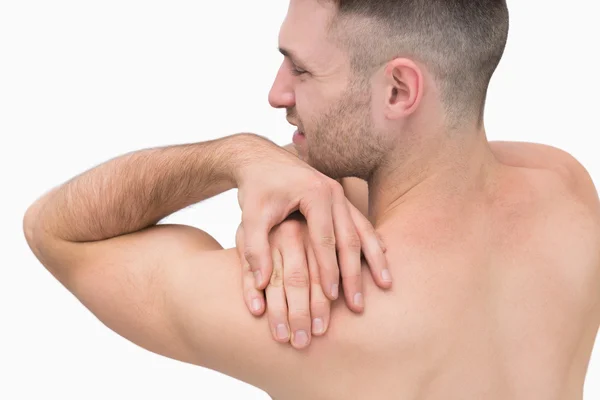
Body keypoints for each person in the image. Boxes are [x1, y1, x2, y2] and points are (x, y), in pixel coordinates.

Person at [22, 0, 600, 399]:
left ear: (399, 89)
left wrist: (237, 155)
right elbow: (433, 167)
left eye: (301, 69)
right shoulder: (564, 189)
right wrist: (309, 197)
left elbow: (55, 232)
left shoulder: (312, 310)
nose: (277, 93)